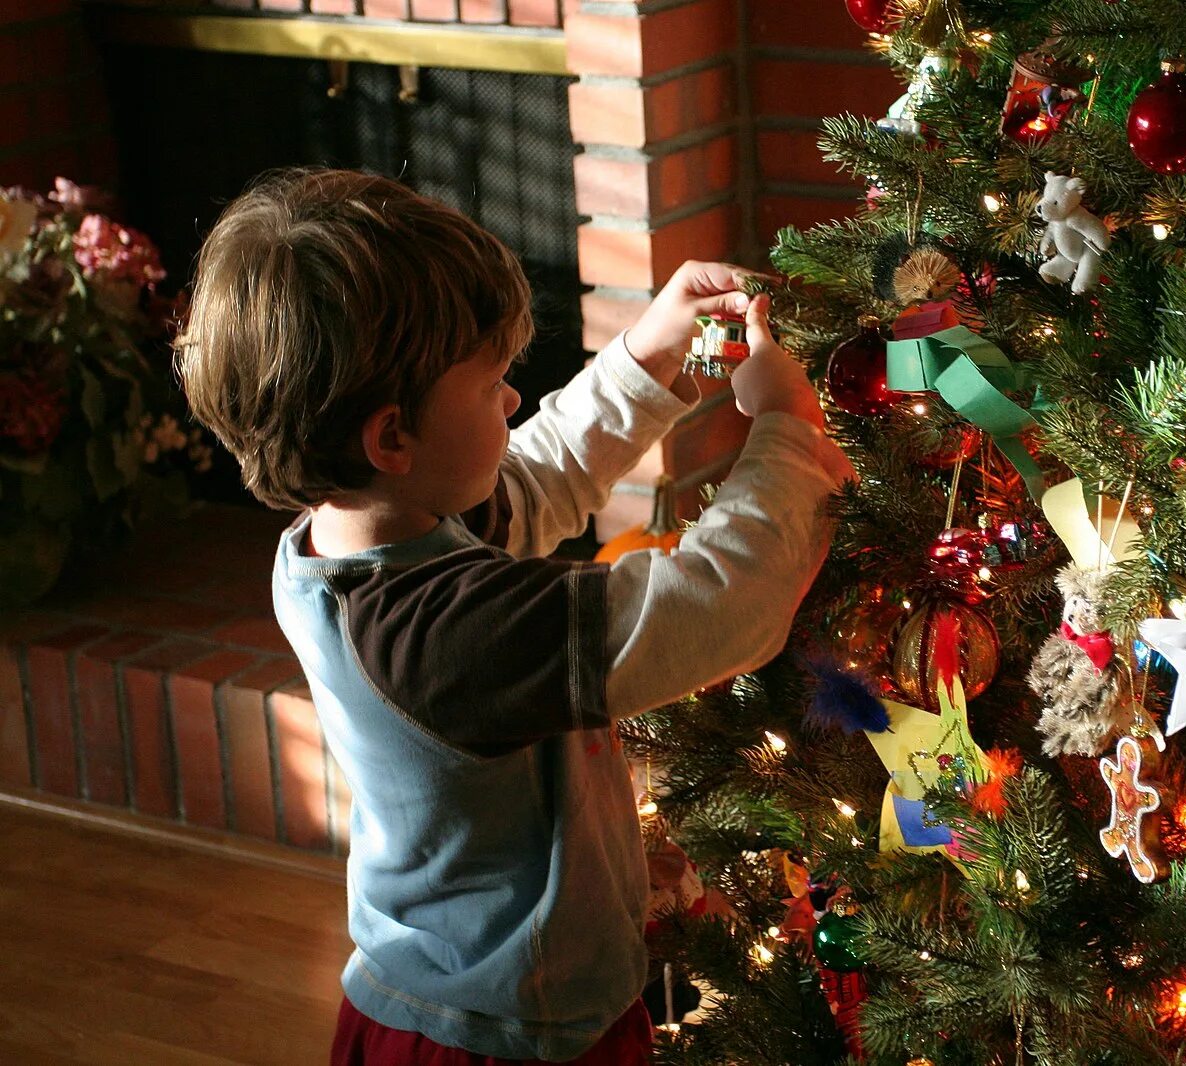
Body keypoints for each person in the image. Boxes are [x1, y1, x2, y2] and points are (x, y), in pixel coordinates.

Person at [174, 168, 852, 1065]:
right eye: (492, 380)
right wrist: (787, 431)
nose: (511, 400)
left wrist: (650, 357)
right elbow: (716, 606)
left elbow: (535, 476)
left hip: (482, 1001)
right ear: (393, 437)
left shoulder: (364, 533)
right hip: (502, 1036)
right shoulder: (441, 634)